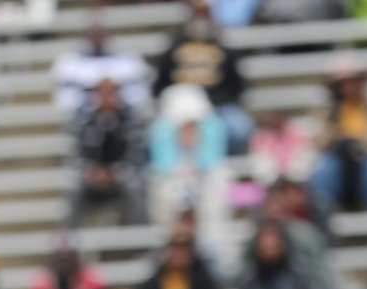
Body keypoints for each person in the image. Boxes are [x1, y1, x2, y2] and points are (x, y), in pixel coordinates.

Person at [151, 0, 250, 150]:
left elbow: (236, 83)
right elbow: (161, 81)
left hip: (216, 105)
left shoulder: (221, 45)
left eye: (204, 13)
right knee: (160, 133)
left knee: (239, 130)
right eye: (197, 13)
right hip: (180, 105)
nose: (201, 18)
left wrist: (218, 101)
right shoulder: (176, 45)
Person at [148, 83, 230, 248]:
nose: (188, 133)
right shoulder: (164, 167)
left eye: (192, 128)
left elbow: (214, 180)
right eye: (183, 129)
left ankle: (210, 246)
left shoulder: (213, 165)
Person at [310, 60, 367, 213]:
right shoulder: (327, 108)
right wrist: (337, 137)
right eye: (344, 83)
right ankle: (326, 219)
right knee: (323, 173)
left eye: (353, 81)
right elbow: (318, 142)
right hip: (338, 157)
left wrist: (362, 145)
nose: (350, 87)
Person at [67, 80, 149, 229]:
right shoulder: (84, 122)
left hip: (120, 177)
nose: (107, 97)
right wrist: (92, 171)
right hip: (92, 179)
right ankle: (67, 243)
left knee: (133, 185)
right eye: (103, 92)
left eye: (111, 92)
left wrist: (115, 172)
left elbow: (136, 154)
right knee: (75, 187)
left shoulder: (130, 121)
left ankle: (141, 240)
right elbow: (76, 155)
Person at [53, 19, 150, 117]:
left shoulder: (126, 58)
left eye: (100, 35)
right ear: (88, 38)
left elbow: (139, 78)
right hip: (85, 108)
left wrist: (109, 90)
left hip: (121, 108)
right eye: (94, 36)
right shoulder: (71, 61)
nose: (98, 39)